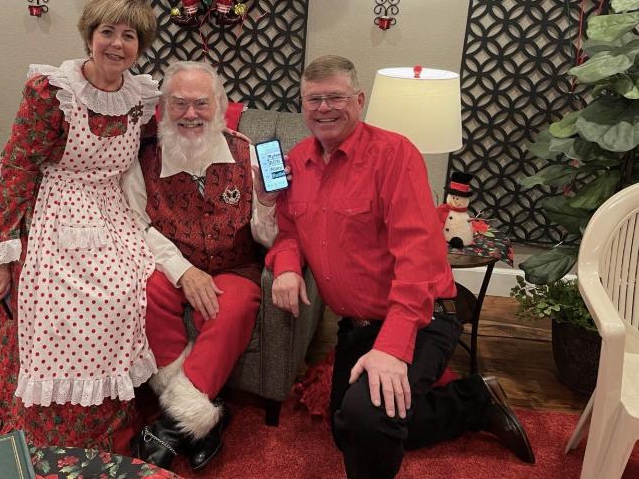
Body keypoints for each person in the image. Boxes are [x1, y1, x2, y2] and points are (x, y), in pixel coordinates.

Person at [267, 55, 535, 479]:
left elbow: (419, 259)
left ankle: (457, 401)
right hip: (355, 325)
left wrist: (392, 348)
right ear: (302, 105)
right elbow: (287, 232)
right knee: (347, 429)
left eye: (335, 97)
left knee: (367, 419)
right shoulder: (297, 161)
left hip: (421, 316)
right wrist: (286, 267)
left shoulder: (395, 155)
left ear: (358, 99)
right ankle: (474, 400)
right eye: (313, 99)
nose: (324, 108)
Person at [0, 0, 161, 452]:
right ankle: (49, 425)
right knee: (66, 302)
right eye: (108, 32)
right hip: (53, 211)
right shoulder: (54, 92)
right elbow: (20, 167)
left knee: (129, 289)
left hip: (112, 211)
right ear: (89, 36)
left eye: (129, 35)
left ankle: (109, 416)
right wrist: (1, 256)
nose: (117, 44)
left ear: (140, 46)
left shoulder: (140, 97)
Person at [122, 61, 279, 470]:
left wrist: (266, 203)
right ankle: (202, 416)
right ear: (162, 109)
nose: (190, 114)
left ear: (220, 107)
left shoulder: (248, 154)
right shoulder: (144, 157)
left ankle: (174, 422)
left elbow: (268, 239)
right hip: (172, 264)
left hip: (235, 265)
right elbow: (135, 224)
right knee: (144, 287)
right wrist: (183, 271)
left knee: (236, 306)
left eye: (201, 104)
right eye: (179, 104)